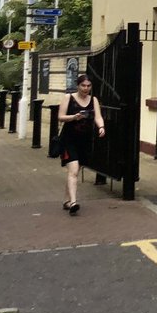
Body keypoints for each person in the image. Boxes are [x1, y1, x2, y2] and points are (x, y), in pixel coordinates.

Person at [56, 75, 105, 215]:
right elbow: (60, 116)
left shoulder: (93, 100)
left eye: (89, 86)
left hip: (84, 140)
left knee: (75, 171)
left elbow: (98, 117)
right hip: (68, 139)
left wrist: (101, 127)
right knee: (74, 170)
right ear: (78, 86)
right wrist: (73, 117)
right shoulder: (68, 98)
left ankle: (66, 200)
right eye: (83, 85)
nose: (86, 88)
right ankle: (73, 203)